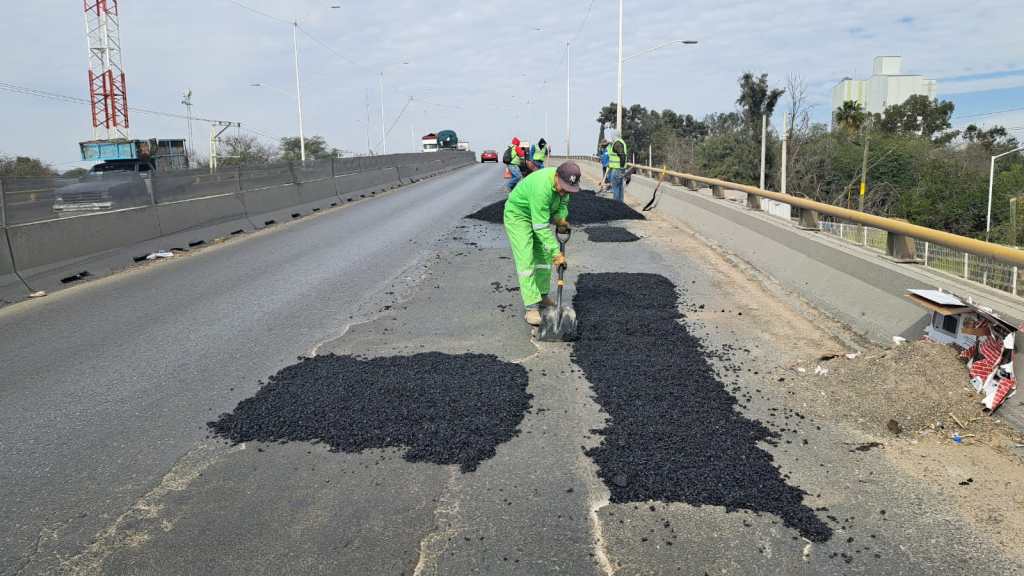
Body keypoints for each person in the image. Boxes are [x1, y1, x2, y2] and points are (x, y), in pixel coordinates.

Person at [503, 161, 582, 326]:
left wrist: (561, 218)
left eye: (568, 189)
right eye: (562, 188)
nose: (564, 192)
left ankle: (542, 295)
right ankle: (531, 306)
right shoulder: (542, 188)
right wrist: (556, 252)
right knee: (526, 259)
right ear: (556, 177)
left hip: (539, 216)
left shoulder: (565, 185)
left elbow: (563, 204)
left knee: (543, 258)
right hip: (519, 216)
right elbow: (540, 227)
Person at [605, 128, 628, 202]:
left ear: (614, 135)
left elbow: (622, 156)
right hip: (620, 168)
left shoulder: (617, 144)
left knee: (616, 188)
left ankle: (616, 205)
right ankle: (620, 205)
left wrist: (621, 168)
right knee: (620, 187)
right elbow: (617, 156)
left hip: (617, 169)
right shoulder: (621, 142)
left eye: (611, 135)